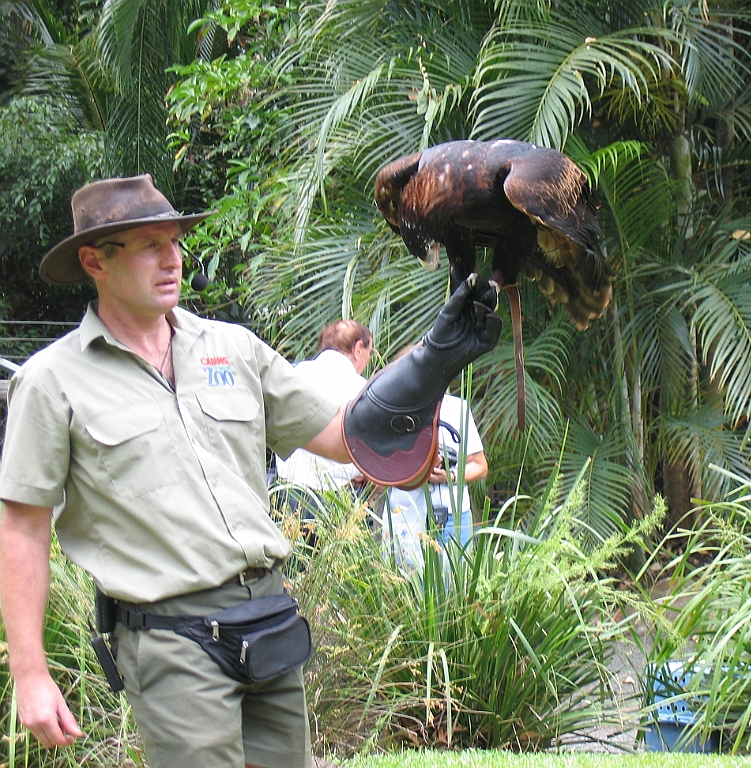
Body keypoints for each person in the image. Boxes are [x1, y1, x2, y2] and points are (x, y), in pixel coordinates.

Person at [0, 175, 500, 768]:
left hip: (268, 619)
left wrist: (430, 362)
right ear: (94, 261)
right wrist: (30, 673)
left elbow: (346, 435)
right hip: (169, 636)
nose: (172, 259)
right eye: (149, 245)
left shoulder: (233, 349)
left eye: (175, 241)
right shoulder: (52, 381)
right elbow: (23, 528)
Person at [275, 321, 373, 534]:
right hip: (339, 501)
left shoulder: (293, 374)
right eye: (369, 352)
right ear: (358, 349)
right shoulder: (362, 390)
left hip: (287, 497)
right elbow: (368, 452)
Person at [386, 392, 487, 554]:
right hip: (405, 513)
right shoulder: (392, 406)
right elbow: (380, 464)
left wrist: (450, 476)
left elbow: (480, 466)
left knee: (454, 569)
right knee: (403, 569)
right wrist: (419, 468)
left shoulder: (457, 408)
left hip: (452, 515)